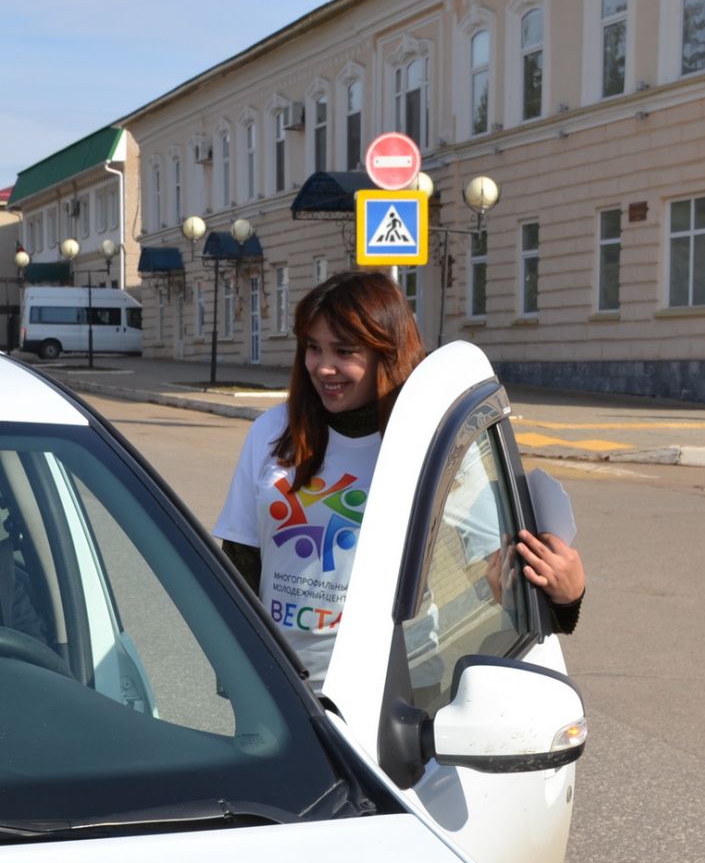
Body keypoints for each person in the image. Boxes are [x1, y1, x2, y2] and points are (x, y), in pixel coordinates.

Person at [213, 271, 584, 686]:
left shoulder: (433, 441)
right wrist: (239, 671)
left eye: (344, 351)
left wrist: (565, 597)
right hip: (281, 683)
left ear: (384, 354)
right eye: (313, 348)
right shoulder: (272, 432)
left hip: (389, 694)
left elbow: (503, 577)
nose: (323, 367)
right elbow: (241, 561)